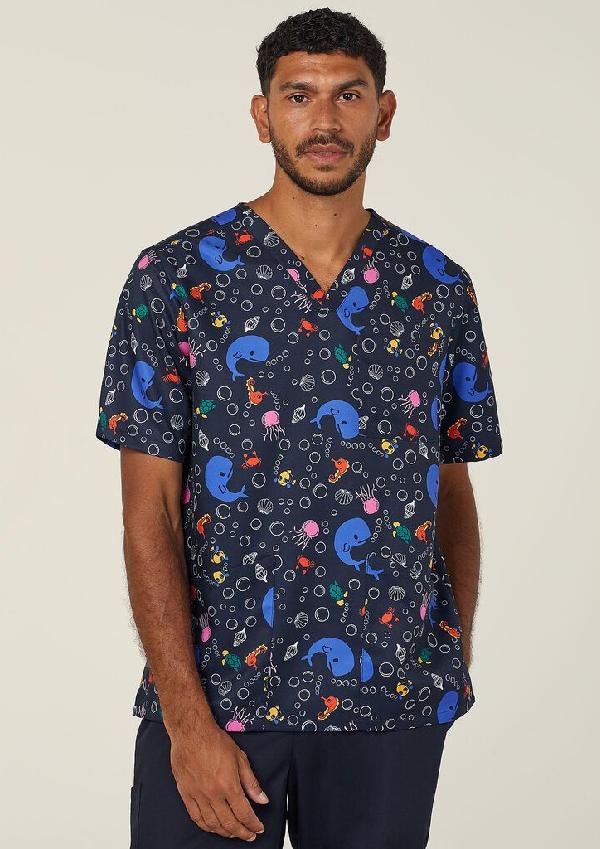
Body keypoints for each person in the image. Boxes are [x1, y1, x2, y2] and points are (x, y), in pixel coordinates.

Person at [95, 7, 503, 848]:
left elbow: (452, 489)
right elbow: (149, 511)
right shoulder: (176, 277)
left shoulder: (437, 288)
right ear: (262, 115)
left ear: (384, 113)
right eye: (298, 95)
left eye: (349, 94)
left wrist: (448, 653)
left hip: (390, 709)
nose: (325, 119)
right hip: (222, 703)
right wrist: (187, 720)